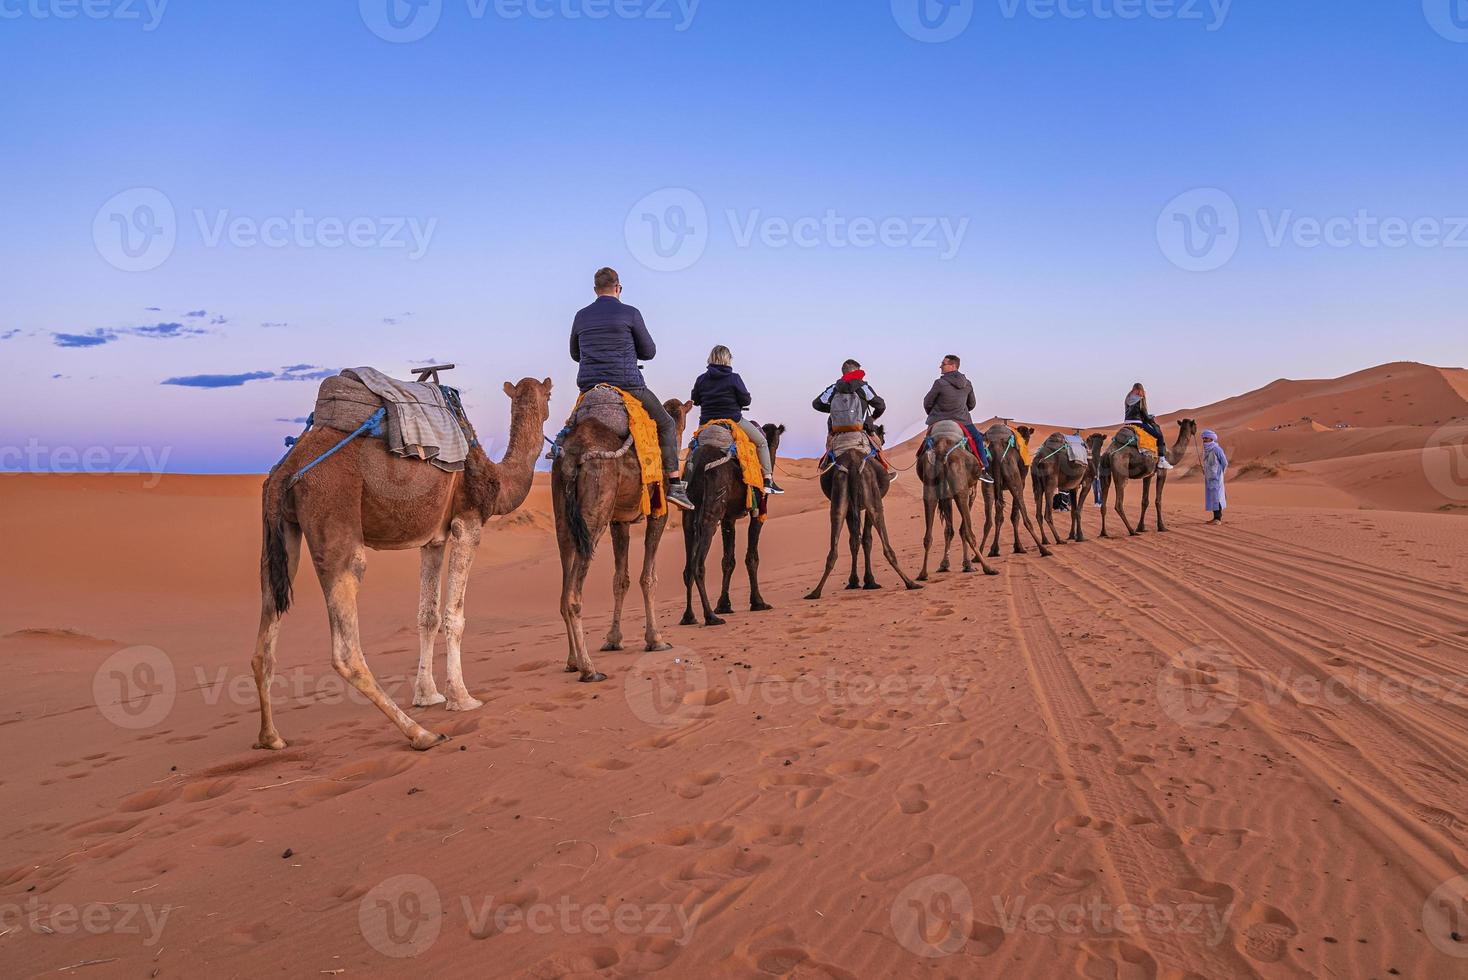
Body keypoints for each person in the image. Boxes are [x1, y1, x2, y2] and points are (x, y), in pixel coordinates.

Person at [570, 267, 693, 510]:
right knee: (667, 423)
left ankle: (560, 448)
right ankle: (675, 485)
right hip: (628, 385)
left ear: (595, 290)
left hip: (589, 387)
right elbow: (649, 352)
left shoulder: (580, 316)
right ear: (618, 288)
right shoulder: (630, 313)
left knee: (571, 425)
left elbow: (575, 354)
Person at [689, 345, 784, 495]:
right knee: (762, 442)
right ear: (728, 359)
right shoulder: (734, 378)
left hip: (707, 422)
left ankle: (684, 481)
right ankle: (767, 480)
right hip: (733, 420)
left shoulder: (701, 379)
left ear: (711, 358)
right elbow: (746, 400)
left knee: (693, 448)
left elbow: (695, 399)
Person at [813, 358, 895, 476]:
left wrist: (835, 411)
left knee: (829, 451)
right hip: (862, 429)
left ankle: (825, 469)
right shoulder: (863, 387)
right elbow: (881, 405)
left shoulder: (834, 388)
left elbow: (816, 404)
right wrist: (872, 419)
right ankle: (884, 474)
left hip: (836, 431)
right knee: (877, 445)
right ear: (855, 371)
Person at [922, 353, 994, 484]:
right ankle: (983, 468)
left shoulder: (939, 383)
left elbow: (927, 401)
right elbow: (972, 404)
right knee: (977, 439)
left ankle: (925, 468)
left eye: (943, 364)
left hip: (938, 419)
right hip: (963, 421)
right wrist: (960, 411)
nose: (940, 366)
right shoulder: (968, 384)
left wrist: (932, 414)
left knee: (927, 442)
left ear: (953, 366)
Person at [1124, 382, 1172, 470]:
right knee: (1159, 436)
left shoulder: (1128, 398)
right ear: (1140, 390)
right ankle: (1161, 459)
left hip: (1127, 423)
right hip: (1137, 422)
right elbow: (1145, 415)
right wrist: (1150, 417)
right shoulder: (1140, 399)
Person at [1202, 429, 1228, 524]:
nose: (1204, 440)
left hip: (1217, 477)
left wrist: (1220, 474)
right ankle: (1215, 518)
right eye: (1203, 438)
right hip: (1209, 477)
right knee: (1212, 497)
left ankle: (1218, 519)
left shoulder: (1217, 449)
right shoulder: (1206, 450)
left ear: (1211, 438)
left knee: (1218, 497)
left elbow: (1224, 462)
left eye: (1206, 438)